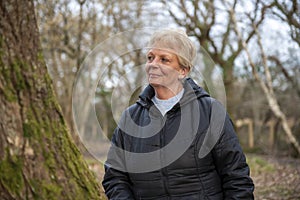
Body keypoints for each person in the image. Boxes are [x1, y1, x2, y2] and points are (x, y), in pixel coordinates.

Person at [102, 28, 254, 199]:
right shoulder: (130, 118)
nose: (153, 64)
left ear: (183, 70)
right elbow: (115, 177)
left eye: (164, 59)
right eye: (150, 58)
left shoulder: (211, 112)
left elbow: (236, 178)